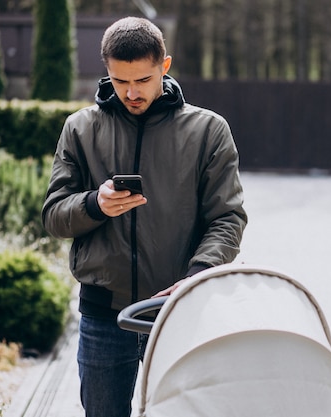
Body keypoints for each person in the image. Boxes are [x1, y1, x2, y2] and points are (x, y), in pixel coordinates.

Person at [41, 16, 247, 417]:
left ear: (164, 67)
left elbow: (227, 218)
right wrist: (92, 205)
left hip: (179, 313)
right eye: (120, 81)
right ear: (107, 71)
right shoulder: (81, 128)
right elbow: (53, 215)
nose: (132, 92)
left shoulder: (209, 131)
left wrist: (195, 277)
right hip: (104, 317)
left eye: (143, 80)